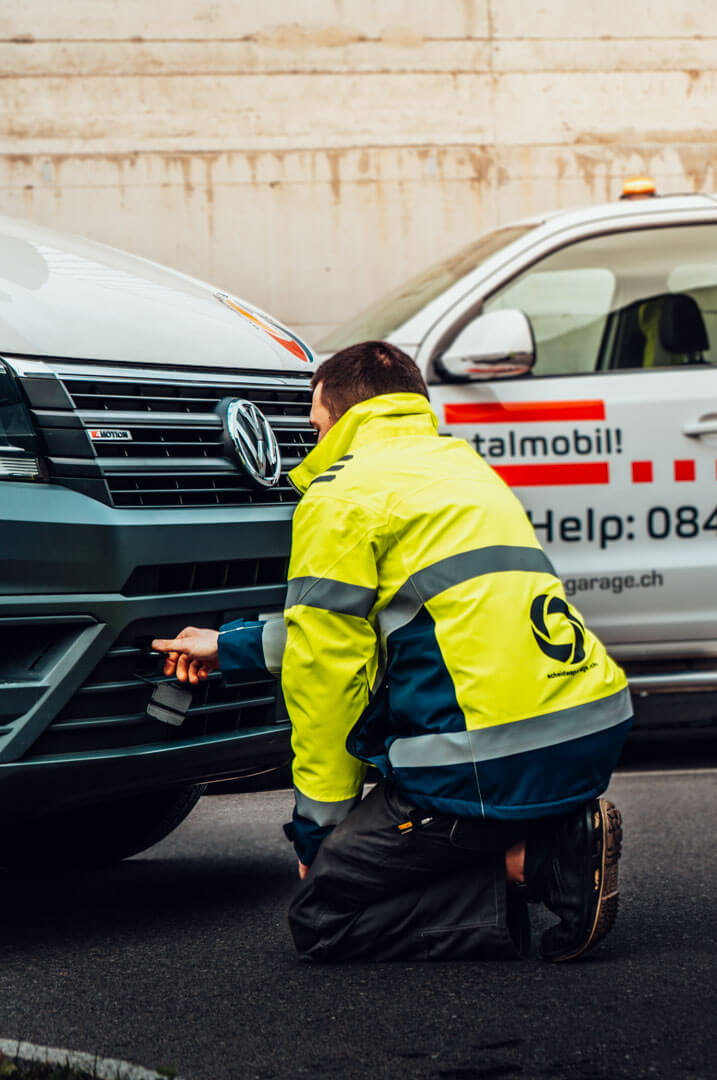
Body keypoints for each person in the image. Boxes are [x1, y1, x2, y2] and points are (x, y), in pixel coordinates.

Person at [151, 341, 631, 962]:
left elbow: (328, 680)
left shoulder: (340, 497)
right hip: (588, 727)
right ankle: (545, 828)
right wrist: (228, 646)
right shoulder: (464, 469)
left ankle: (539, 858)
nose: (313, 441)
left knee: (323, 916)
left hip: (485, 756)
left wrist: (319, 834)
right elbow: (394, 626)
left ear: (343, 417)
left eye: (315, 426)